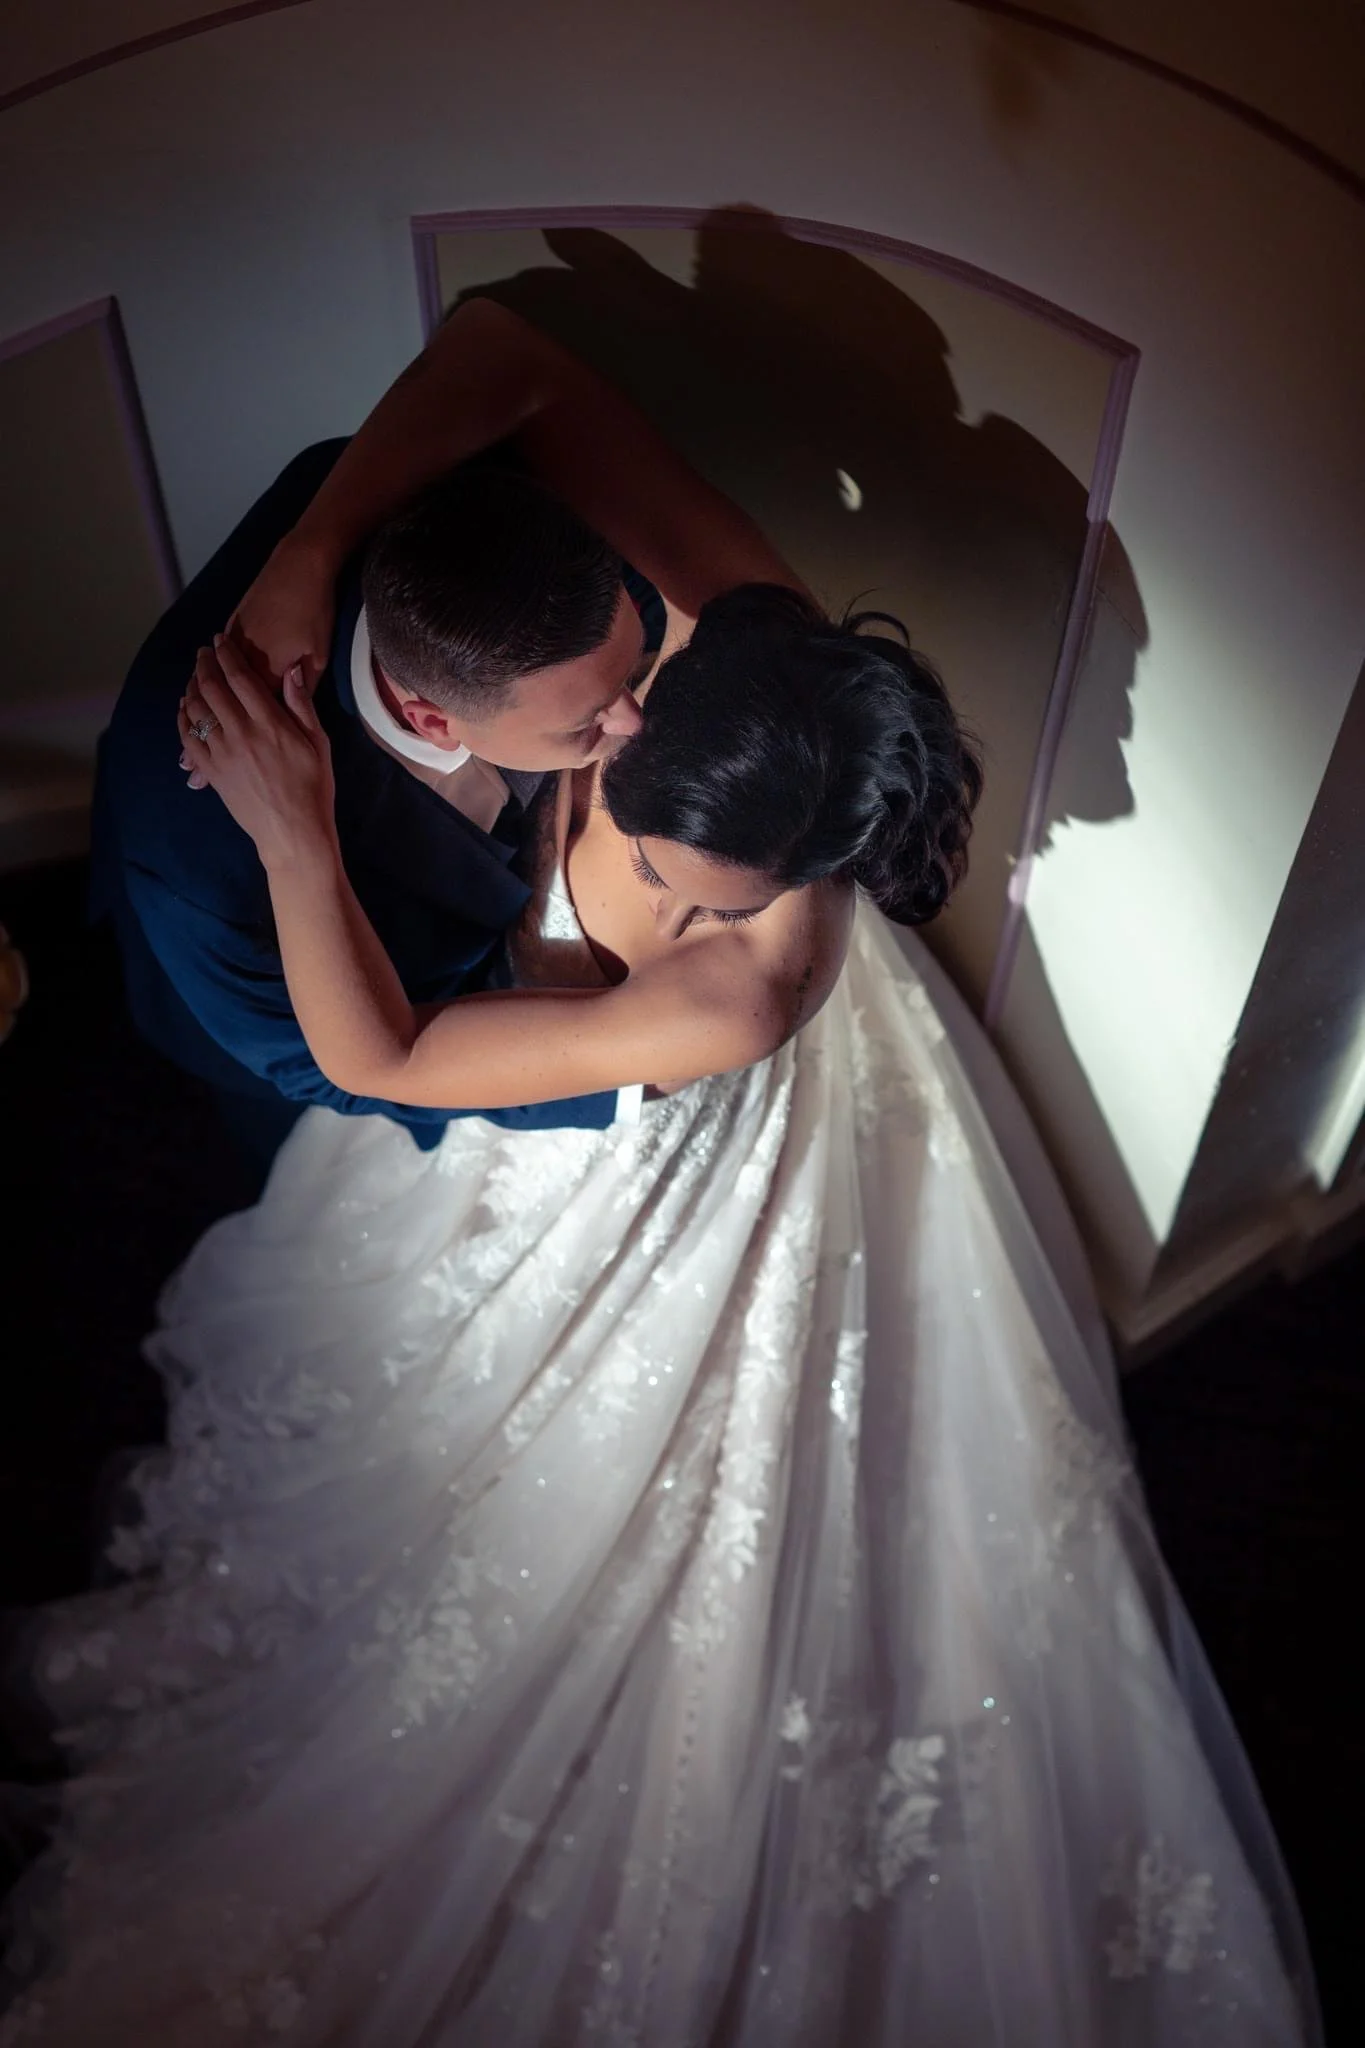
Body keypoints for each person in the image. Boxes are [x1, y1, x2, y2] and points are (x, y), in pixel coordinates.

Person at [0, 572, 1318, 2041]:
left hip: (633, 1156)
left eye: (720, 895)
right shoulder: (683, 656)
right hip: (541, 1108)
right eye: (658, 849)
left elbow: (387, 1059)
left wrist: (294, 830)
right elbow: (503, 359)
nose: (678, 900)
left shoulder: (740, 993)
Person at [90, 297, 797, 1173]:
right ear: (430, 717)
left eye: (627, 674)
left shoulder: (514, 535)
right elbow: (335, 1068)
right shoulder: (202, 855)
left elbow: (497, 345)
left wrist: (310, 549)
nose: (635, 723)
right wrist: (612, 1074)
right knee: (258, 1146)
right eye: (588, 721)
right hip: (298, 1014)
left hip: (508, 951)